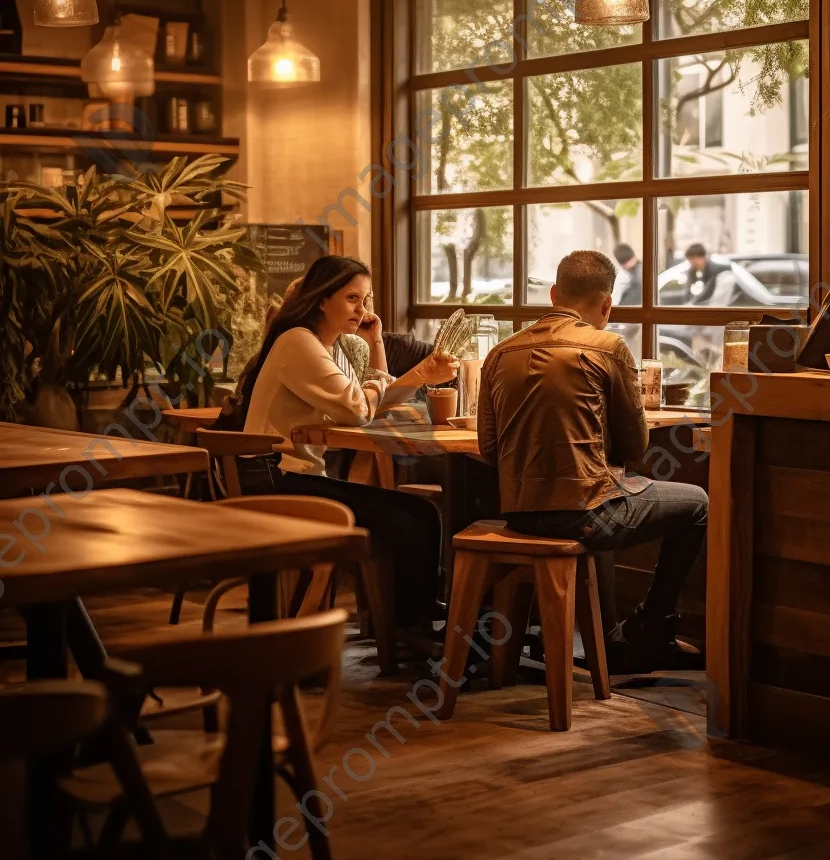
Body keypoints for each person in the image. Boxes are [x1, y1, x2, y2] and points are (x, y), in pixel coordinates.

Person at [477, 250, 708, 673]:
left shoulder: (500, 352)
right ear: (607, 304)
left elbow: (490, 450)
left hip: (517, 513)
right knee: (696, 503)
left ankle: (609, 642)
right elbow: (635, 448)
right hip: (584, 515)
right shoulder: (609, 346)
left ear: (553, 295)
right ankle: (653, 629)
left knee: (600, 490)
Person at [240, 256, 460, 628]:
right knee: (413, 516)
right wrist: (416, 374)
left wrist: (383, 349)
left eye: (366, 300)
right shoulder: (298, 342)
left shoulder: (330, 346)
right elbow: (359, 408)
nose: (362, 309)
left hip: (290, 475)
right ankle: (411, 626)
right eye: (352, 298)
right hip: (273, 479)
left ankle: (405, 623)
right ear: (322, 299)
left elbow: (370, 403)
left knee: (415, 513)